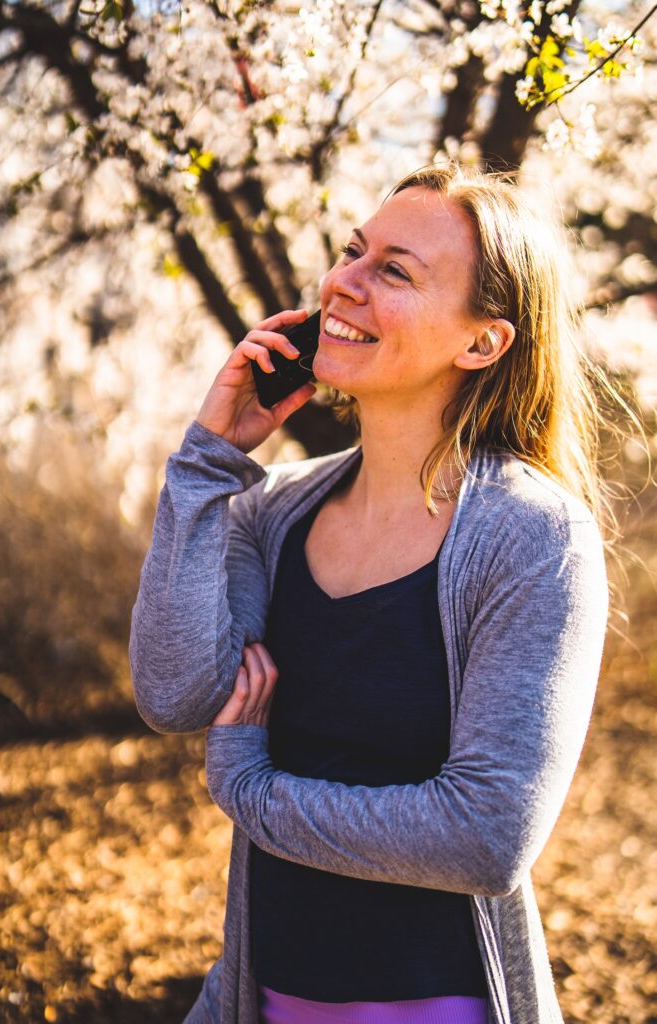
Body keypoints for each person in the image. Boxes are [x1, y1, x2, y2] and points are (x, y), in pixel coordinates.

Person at [129, 163, 612, 1024]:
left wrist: (252, 790)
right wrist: (206, 460)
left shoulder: (533, 537)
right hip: (261, 995)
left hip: (438, 1005)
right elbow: (175, 693)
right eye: (353, 251)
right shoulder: (273, 511)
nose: (342, 282)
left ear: (481, 343)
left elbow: (485, 837)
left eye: (393, 270)